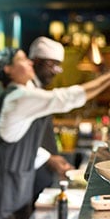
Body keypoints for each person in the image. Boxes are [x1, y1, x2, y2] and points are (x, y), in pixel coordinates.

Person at [0, 48, 110, 219]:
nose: (30, 63)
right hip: (0, 184)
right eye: (22, 60)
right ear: (8, 69)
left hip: (13, 181)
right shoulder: (18, 98)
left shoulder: (25, 93)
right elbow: (65, 98)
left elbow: (23, 139)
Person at [29, 36, 74, 203]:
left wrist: (54, 157)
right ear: (35, 61)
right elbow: (21, 140)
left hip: (40, 174)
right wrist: (49, 158)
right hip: (27, 176)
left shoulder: (39, 90)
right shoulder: (27, 92)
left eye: (58, 66)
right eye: (51, 64)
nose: (55, 70)